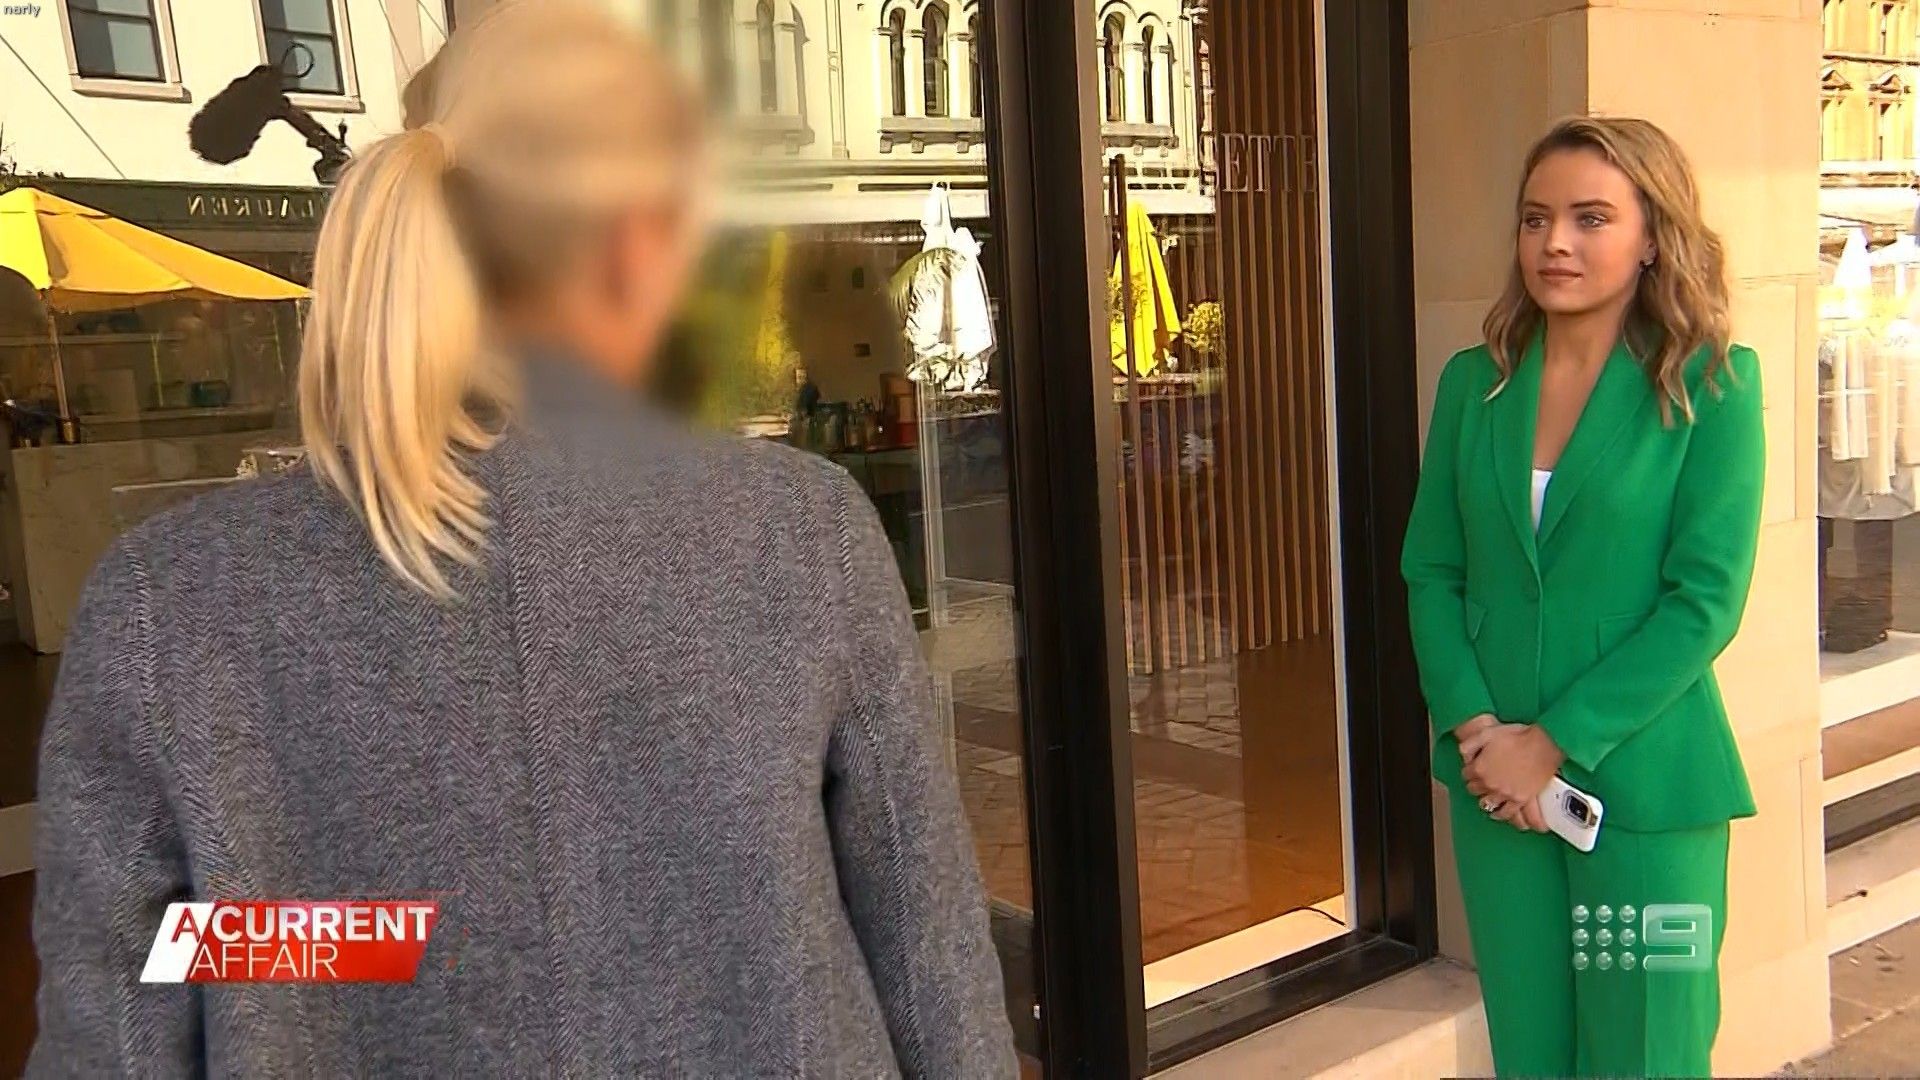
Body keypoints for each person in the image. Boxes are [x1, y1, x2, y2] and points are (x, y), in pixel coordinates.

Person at [28, 3, 1016, 1076]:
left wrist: (345, 939)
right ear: (639, 247)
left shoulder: (169, 604)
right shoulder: (803, 540)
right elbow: (934, 972)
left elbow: (126, 1022)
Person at [1401, 116, 1764, 1078]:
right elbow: (1431, 571)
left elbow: (1704, 603)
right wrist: (1479, 730)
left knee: (1646, 1054)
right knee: (1532, 1054)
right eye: (1535, 218)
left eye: (1590, 218)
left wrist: (1550, 744)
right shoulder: (1474, 385)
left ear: (1652, 237)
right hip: (1498, 793)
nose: (1554, 242)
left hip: (1646, 790)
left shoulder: (1712, 387)